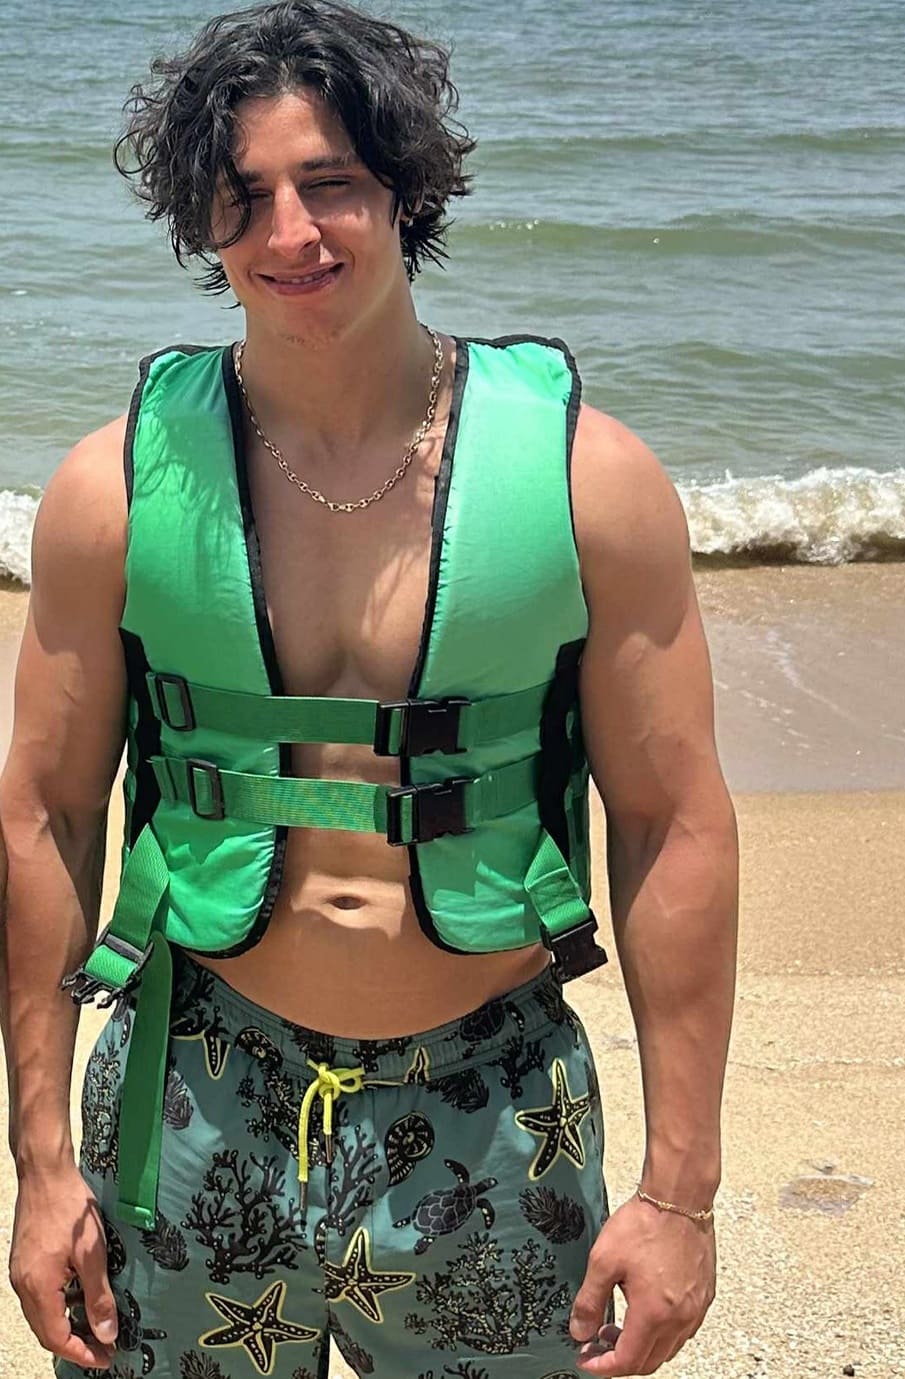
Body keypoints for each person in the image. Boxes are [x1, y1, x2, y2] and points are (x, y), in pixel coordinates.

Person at [0, 3, 739, 1376]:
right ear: (201, 224)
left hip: (493, 1102)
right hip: (191, 1088)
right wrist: (42, 1166)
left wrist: (681, 1191)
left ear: (406, 188)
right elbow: (44, 811)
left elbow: (673, 821)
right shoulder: (114, 491)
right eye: (242, 197)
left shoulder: (590, 480)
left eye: (329, 181)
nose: (290, 233)